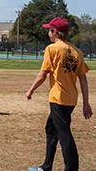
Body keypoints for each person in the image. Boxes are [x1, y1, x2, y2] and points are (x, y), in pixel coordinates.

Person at [26, 17, 92, 171]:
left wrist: (31, 90)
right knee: (51, 129)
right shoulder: (77, 52)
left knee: (64, 134)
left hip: (58, 98)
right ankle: (46, 166)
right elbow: (83, 79)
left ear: (55, 32)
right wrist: (86, 103)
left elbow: (42, 75)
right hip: (71, 99)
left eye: (50, 30)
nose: (49, 33)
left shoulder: (52, 49)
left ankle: (71, 168)